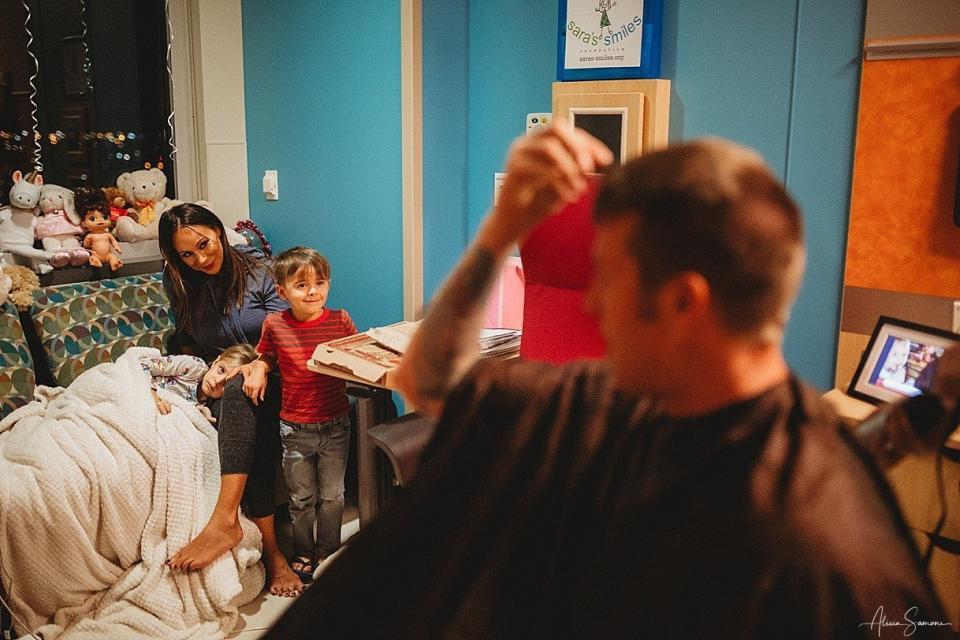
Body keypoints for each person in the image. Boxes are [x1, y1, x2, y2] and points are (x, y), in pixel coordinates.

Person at [265, 123, 954, 638]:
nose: (590, 304)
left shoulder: (825, 549)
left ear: (685, 302)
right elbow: (427, 375)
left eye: (609, 281)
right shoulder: (591, 397)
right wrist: (501, 231)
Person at [157, 203, 304, 597]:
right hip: (226, 377)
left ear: (218, 231)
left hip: (276, 373)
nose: (200, 259)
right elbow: (187, 338)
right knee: (239, 410)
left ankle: (234, 527)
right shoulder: (179, 280)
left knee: (244, 396)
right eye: (187, 254)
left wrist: (262, 364)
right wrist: (205, 377)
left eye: (204, 244)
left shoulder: (261, 272)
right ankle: (265, 549)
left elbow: (288, 332)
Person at [240, 246, 357, 583]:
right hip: (294, 427)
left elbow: (356, 352)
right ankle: (304, 550)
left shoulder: (340, 320)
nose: (312, 292)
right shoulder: (275, 324)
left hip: (336, 422)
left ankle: (329, 549)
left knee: (333, 495)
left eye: (320, 283)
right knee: (301, 497)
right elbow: (266, 357)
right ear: (282, 292)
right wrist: (259, 367)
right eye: (302, 285)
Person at [141, 343, 258, 423]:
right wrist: (154, 395)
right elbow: (142, 365)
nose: (217, 381)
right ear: (216, 361)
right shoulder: (194, 366)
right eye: (221, 370)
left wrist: (199, 414)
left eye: (226, 384)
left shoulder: (208, 403)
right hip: (143, 389)